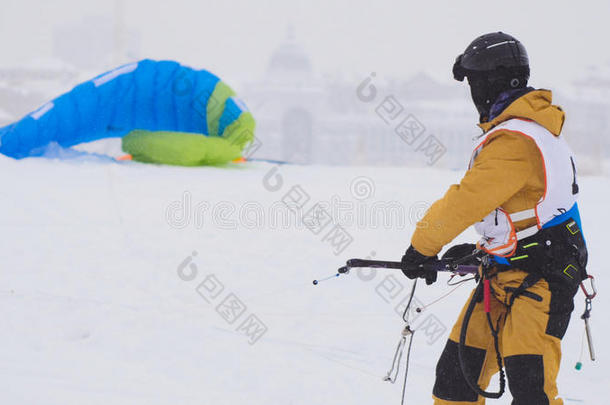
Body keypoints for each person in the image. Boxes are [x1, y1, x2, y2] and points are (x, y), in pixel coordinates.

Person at [400, 32, 588, 405]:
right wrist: (484, 245)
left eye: (474, 82)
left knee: (531, 390)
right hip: (502, 273)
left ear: (494, 82)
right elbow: (520, 207)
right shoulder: (520, 131)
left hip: (543, 280)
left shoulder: (516, 140)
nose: (473, 91)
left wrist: (420, 249)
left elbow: (465, 201)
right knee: (455, 382)